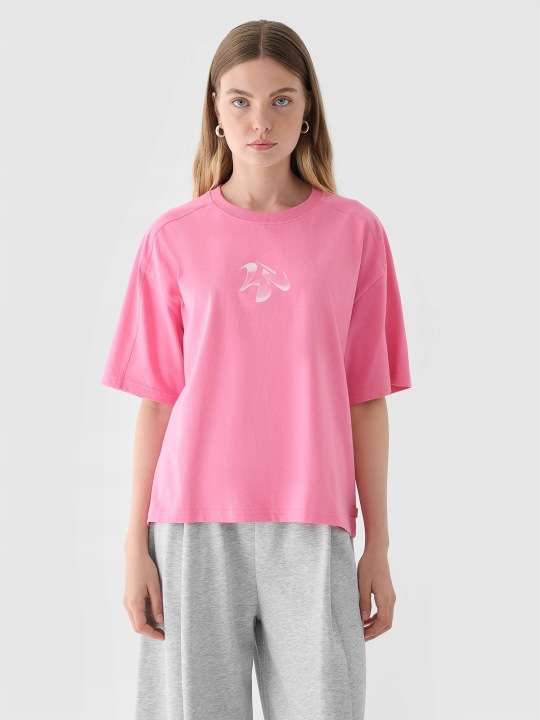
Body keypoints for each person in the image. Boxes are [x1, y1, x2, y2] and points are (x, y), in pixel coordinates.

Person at [101, 19, 412, 720]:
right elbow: (157, 401)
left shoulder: (356, 233)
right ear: (215, 110)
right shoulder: (173, 239)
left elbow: (366, 399)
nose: (260, 120)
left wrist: (379, 546)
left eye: (281, 100)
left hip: (315, 524)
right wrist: (133, 547)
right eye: (240, 101)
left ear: (308, 110)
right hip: (190, 526)